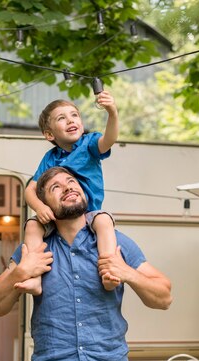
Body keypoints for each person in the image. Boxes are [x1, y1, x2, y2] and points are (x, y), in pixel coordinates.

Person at [0, 167, 172, 361]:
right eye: (56, 187)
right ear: (44, 206)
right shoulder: (33, 249)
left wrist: (127, 272)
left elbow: (164, 297)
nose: (69, 187)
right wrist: (20, 272)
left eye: (71, 182)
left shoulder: (115, 242)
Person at [20, 92, 119, 296]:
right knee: (31, 225)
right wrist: (40, 207)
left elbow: (109, 139)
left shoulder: (89, 144)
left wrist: (112, 113)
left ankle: (109, 271)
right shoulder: (50, 158)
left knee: (104, 222)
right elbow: (30, 189)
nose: (70, 120)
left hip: (88, 213)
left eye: (74, 115)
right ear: (49, 135)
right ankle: (34, 278)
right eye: (61, 118)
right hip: (59, 216)